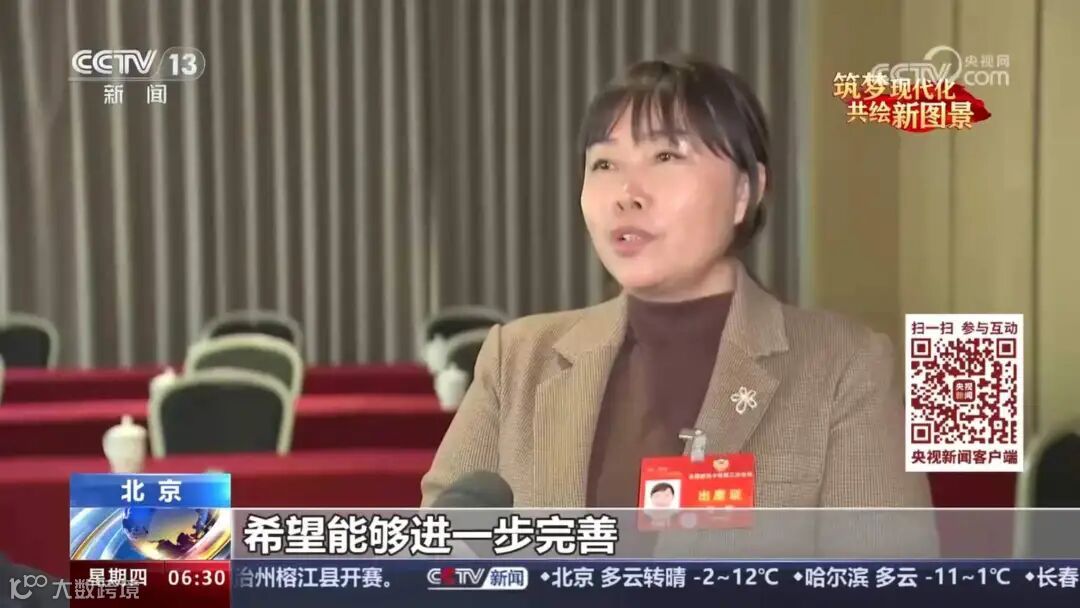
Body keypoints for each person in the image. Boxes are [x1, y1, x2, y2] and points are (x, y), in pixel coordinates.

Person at [421, 55, 932, 512]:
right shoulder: (516, 360)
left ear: (746, 190)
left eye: (666, 156)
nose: (626, 193)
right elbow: (434, 557)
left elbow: (882, 573)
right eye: (604, 163)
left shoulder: (847, 368)